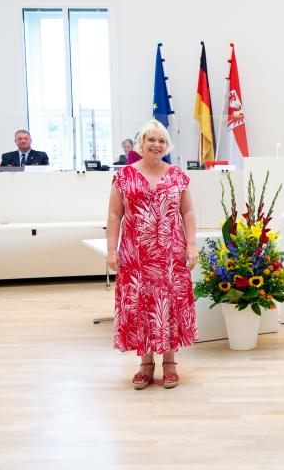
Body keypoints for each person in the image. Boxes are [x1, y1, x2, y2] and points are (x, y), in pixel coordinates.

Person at [106, 119, 198, 390]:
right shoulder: (124, 176)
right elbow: (114, 214)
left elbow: (188, 213)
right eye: (151, 140)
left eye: (161, 141)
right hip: (136, 256)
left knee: (167, 304)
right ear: (141, 144)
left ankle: (170, 363)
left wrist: (191, 245)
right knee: (141, 305)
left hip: (171, 254)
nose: (156, 145)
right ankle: (145, 364)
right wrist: (112, 250)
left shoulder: (178, 176)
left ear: (167, 145)